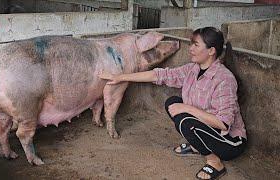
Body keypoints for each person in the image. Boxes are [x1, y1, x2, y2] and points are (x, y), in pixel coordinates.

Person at [98, 27, 247, 180]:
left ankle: (215, 162)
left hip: (229, 142)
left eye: (196, 45)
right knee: (172, 103)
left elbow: (223, 123)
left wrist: (186, 108)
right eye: (191, 44)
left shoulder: (224, 79)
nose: (190, 49)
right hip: (208, 129)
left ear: (211, 51)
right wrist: (121, 77)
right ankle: (197, 146)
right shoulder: (193, 69)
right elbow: (159, 75)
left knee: (185, 121)